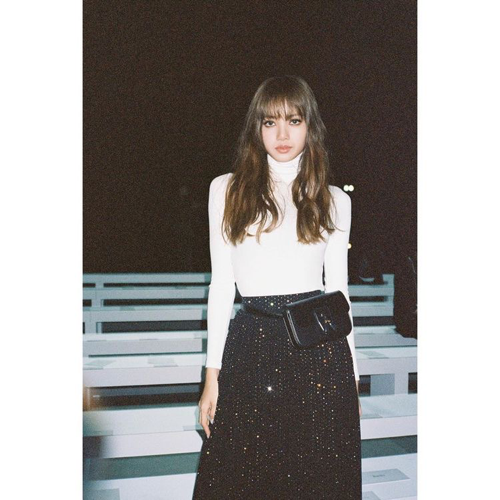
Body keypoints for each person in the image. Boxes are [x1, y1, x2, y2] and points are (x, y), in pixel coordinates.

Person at [193, 75, 361, 499]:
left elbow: (339, 293)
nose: (282, 135)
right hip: (251, 344)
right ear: (257, 128)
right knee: (241, 476)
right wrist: (211, 376)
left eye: (294, 121)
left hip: (319, 352)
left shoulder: (334, 199)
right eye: (270, 122)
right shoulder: (226, 190)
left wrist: (353, 380)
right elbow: (221, 286)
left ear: (310, 127)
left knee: (316, 478)